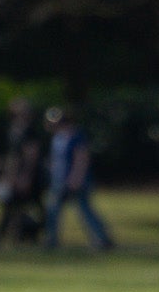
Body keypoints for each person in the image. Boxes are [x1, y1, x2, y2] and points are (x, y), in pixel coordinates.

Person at [44, 106, 114, 250]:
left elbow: (81, 159)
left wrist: (75, 178)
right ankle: (51, 240)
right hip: (59, 181)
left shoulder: (77, 136)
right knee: (53, 210)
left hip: (77, 181)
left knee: (84, 210)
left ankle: (103, 239)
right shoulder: (57, 138)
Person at [0, 99, 48, 246]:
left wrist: (26, 176)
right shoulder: (14, 130)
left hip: (30, 176)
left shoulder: (30, 131)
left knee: (35, 206)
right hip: (16, 175)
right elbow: (13, 156)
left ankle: (35, 234)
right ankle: (9, 234)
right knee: (11, 205)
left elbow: (32, 155)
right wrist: (9, 176)